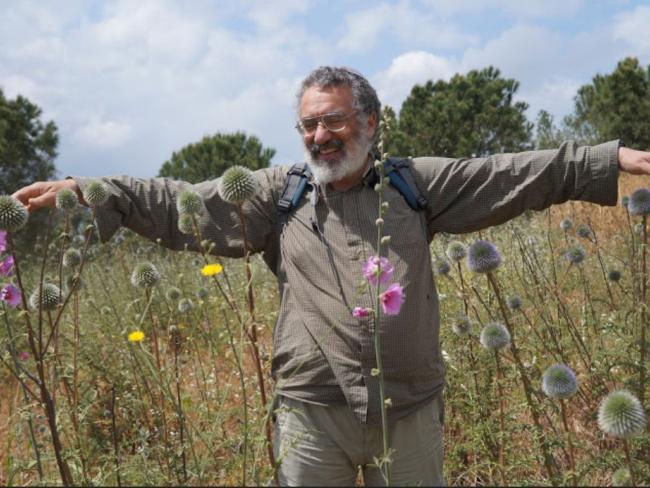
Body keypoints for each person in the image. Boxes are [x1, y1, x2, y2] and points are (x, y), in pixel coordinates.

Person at [13, 66, 650, 486]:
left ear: (370, 123)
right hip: (310, 415)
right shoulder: (273, 195)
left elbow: (511, 171)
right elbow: (176, 201)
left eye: (335, 120)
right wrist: (88, 189)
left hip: (410, 410)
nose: (320, 136)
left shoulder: (415, 184)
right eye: (309, 124)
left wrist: (604, 159)